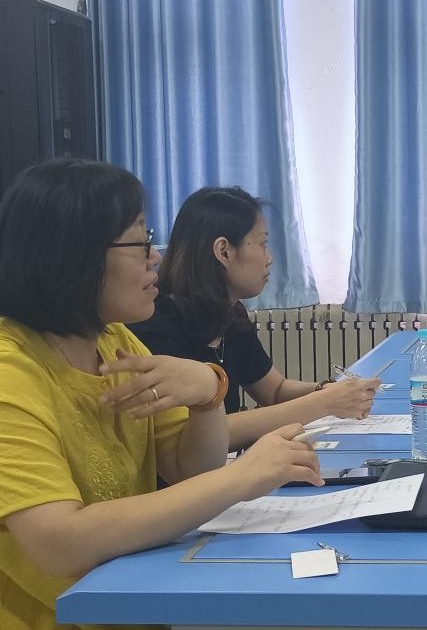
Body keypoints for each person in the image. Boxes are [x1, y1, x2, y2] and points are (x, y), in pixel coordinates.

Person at [0, 159, 322, 630]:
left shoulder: (114, 341)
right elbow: (61, 542)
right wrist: (242, 476)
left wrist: (208, 393)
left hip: (112, 612)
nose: (155, 257)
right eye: (140, 241)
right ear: (74, 256)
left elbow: (189, 469)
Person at [129, 187, 379, 453]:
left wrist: (329, 390)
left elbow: (275, 390)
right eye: (262, 244)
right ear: (224, 252)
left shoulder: (230, 312)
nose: (269, 259)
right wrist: (324, 403)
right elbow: (199, 436)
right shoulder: (159, 324)